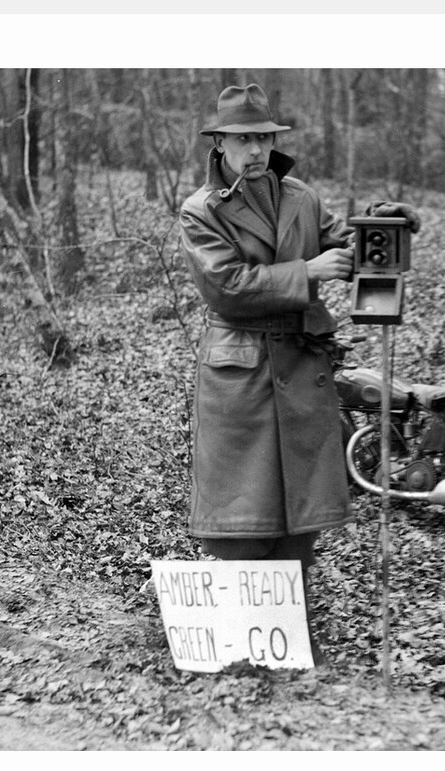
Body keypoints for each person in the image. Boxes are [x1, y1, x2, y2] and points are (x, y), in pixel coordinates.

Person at [179, 83, 355, 665]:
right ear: (221, 143)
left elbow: (343, 243)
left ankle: (287, 632)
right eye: (243, 139)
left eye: (263, 138)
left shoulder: (301, 197)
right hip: (241, 368)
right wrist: (307, 270)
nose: (255, 149)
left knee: (299, 507)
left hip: (301, 363)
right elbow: (227, 288)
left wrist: (386, 231)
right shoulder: (202, 210)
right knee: (241, 509)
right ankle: (239, 637)